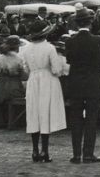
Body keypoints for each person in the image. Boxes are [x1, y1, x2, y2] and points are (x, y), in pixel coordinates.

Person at [65, 8, 100, 163]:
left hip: (76, 84)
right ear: (91, 23)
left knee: (76, 119)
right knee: (91, 120)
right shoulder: (98, 40)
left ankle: (76, 154)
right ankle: (88, 153)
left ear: (77, 23)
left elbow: (70, 60)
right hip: (93, 84)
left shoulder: (70, 41)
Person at [23, 21, 67, 163]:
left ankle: (35, 150)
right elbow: (56, 69)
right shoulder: (49, 48)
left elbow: (26, 69)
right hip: (47, 80)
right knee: (45, 113)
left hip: (33, 80)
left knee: (33, 113)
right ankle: (45, 151)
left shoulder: (26, 48)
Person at [0, 36, 26, 129]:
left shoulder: (1, 57)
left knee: (0, 100)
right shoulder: (18, 58)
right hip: (14, 84)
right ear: (16, 47)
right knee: (20, 97)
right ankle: (16, 121)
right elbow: (23, 75)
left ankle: (0, 121)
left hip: (1, 84)